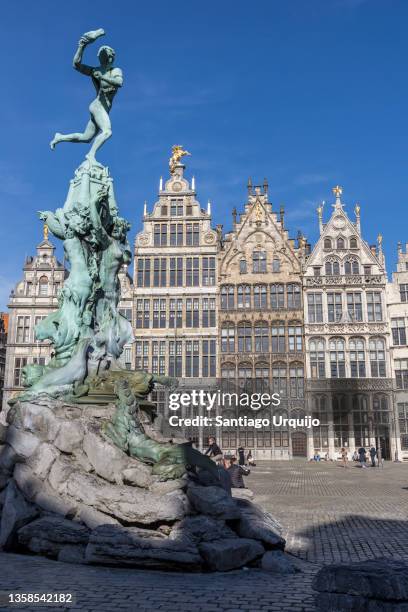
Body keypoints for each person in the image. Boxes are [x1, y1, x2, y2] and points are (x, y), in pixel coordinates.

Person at [50, 31, 123, 163]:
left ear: (110, 57)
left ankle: (60, 137)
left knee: (86, 138)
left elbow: (119, 82)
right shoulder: (95, 71)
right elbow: (76, 65)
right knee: (107, 132)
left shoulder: (115, 71)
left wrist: (103, 77)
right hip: (97, 106)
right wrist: (81, 46)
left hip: (103, 108)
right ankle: (91, 155)